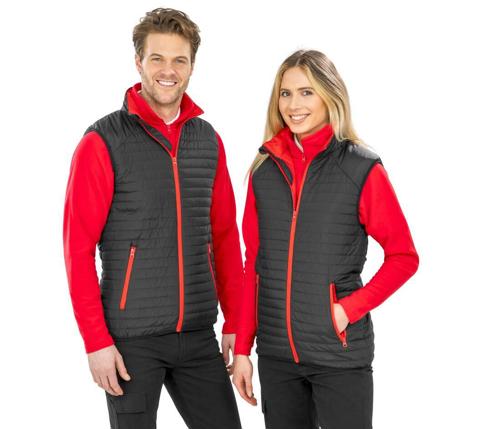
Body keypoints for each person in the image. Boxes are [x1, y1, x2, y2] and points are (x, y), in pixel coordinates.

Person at [63, 8, 243, 429]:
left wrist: (235, 321)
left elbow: (224, 237)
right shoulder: (102, 141)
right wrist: (96, 341)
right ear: (138, 62)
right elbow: (77, 249)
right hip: (130, 341)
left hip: (197, 334)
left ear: (192, 66)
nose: (168, 70)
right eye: (157, 58)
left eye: (179, 60)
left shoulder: (208, 140)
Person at [232, 50, 419, 429]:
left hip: (339, 356)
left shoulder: (360, 168)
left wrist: (347, 310)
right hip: (277, 359)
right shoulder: (264, 171)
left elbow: (404, 256)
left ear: (329, 95)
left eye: (306, 92)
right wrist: (243, 348)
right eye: (285, 94)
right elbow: (254, 265)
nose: (293, 105)